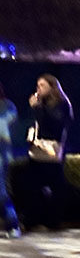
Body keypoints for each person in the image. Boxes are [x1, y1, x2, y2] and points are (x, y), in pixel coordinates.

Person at [26, 74, 73, 229]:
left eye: (42, 85)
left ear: (52, 87)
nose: (38, 89)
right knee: (33, 186)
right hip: (38, 150)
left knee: (57, 186)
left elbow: (54, 125)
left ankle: (53, 221)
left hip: (52, 151)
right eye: (37, 85)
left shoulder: (62, 104)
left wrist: (38, 108)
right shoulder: (42, 103)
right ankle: (35, 219)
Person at [0, 83, 20, 236]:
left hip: (2, 155)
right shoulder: (8, 106)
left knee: (1, 191)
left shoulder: (7, 106)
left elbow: (7, 129)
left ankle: (13, 226)